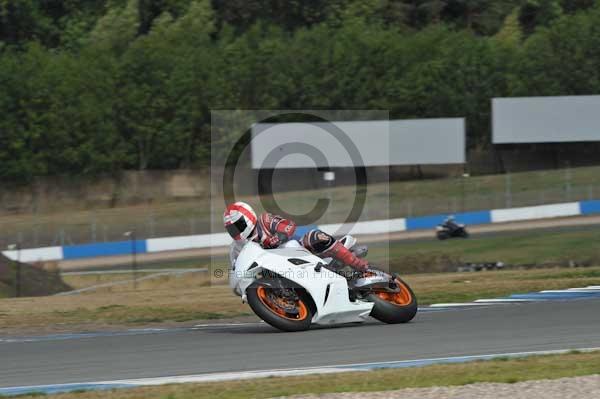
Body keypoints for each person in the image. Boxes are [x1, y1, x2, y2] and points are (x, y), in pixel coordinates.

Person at [224, 201, 368, 271]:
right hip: (273, 271)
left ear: (248, 217)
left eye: (237, 225)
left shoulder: (264, 220)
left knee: (315, 236)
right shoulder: (236, 248)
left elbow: (288, 226)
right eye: (232, 229)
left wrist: (280, 236)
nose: (236, 231)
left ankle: (358, 264)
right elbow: (236, 271)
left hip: (296, 253)